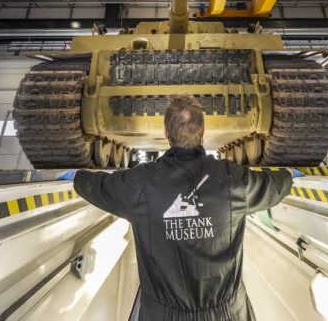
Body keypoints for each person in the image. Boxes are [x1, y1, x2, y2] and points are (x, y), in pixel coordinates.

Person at [70, 95, 299, 321]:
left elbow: (98, 186)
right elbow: (272, 186)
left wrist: (76, 177)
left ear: (166, 133)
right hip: (227, 313)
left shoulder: (140, 183)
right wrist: (290, 176)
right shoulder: (232, 178)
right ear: (202, 131)